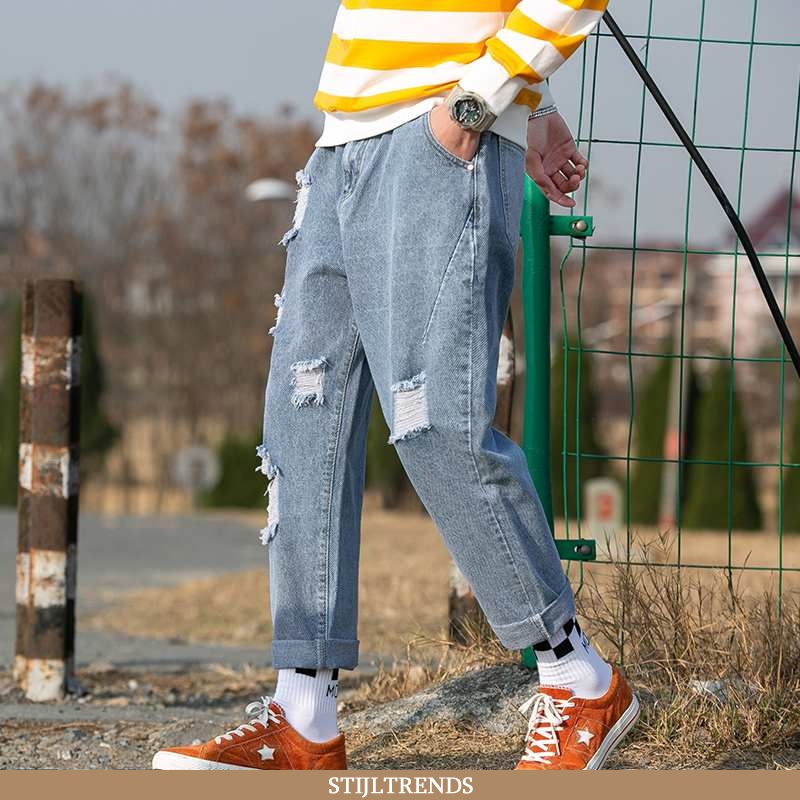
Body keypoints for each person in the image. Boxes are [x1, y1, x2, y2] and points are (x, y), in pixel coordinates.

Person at [154, 0, 638, 771]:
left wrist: (482, 101)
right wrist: (536, 106)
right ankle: (303, 715)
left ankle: (578, 677)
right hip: (342, 137)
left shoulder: (461, 115)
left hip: (437, 134)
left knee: (433, 418)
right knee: (302, 429)